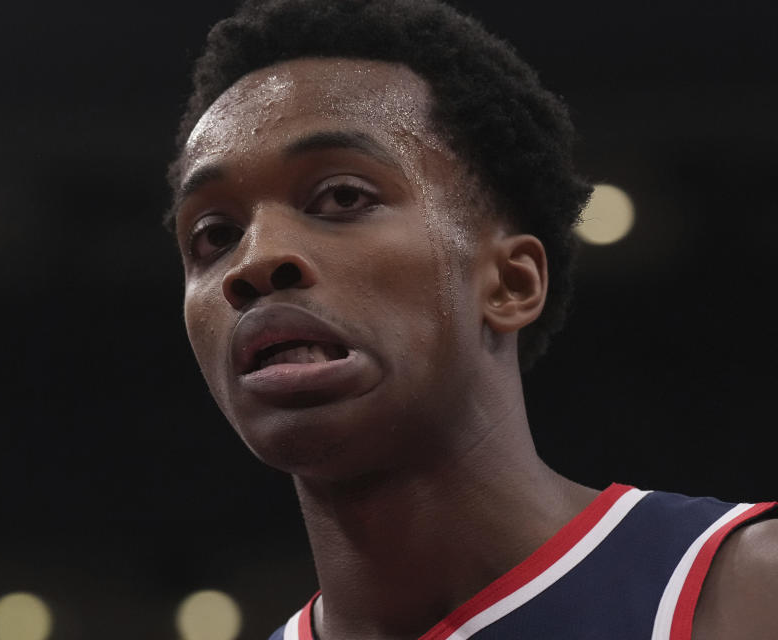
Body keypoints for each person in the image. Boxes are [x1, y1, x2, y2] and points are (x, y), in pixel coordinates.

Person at [164, 1, 778, 638]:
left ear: (510, 283)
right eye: (214, 234)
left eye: (344, 197)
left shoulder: (748, 593)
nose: (255, 261)